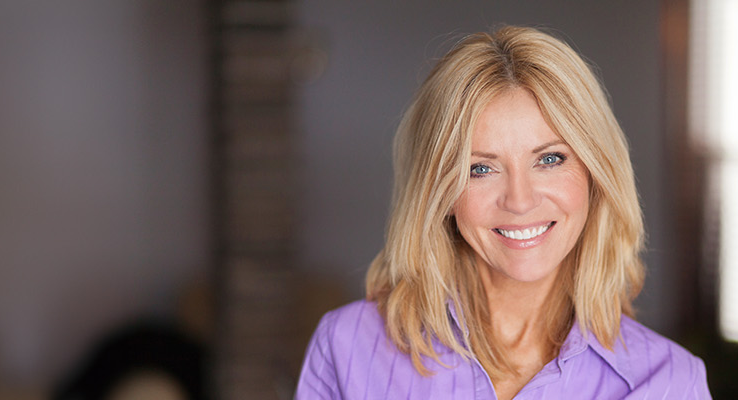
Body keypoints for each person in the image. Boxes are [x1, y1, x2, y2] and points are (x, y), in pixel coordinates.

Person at [295, 26, 710, 399]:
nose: (520, 200)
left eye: (549, 159)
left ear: (595, 173)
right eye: (480, 168)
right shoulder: (346, 347)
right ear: (438, 191)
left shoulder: (670, 383)